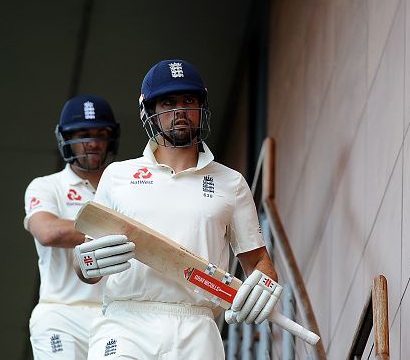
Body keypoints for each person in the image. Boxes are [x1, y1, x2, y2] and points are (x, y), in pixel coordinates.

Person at [74, 59, 281, 359]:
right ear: (150, 112)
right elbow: (87, 265)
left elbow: (259, 261)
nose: (180, 111)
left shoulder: (231, 183)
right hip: (126, 320)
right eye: (168, 102)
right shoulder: (118, 176)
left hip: (197, 325)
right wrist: (83, 262)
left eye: (189, 100)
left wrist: (264, 287)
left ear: (201, 108)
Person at [24, 95, 120, 359]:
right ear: (65, 138)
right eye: (83, 133)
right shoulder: (46, 185)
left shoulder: (125, 187)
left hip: (116, 314)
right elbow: (48, 232)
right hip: (60, 311)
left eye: (101, 133)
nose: (92, 142)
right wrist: (120, 232)